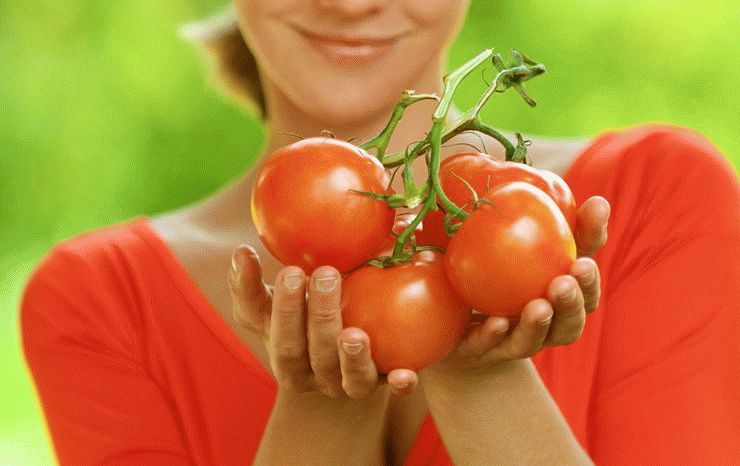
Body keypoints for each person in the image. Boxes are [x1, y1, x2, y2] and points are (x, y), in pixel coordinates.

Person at [20, 1, 739, 465]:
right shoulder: (99, 301)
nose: (350, 2)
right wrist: (322, 403)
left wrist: (477, 372)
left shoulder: (656, 195)